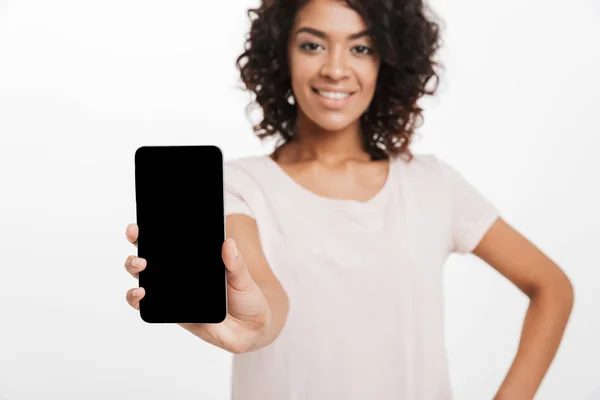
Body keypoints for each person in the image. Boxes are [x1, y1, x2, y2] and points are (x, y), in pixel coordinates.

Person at [124, 0, 575, 399]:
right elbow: (266, 289)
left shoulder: (432, 183)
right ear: (282, 55)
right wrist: (254, 325)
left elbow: (551, 287)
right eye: (313, 45)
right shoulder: (241, 183)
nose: (336, 69)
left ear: (388, 62)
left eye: (361, 47)